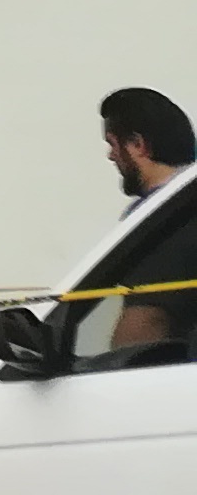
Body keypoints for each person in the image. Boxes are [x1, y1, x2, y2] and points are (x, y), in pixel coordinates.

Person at [95, 86, 192, 349]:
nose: (111, 156)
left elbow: (147, 320)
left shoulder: (165, 219)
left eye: (113, 144)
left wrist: (113, 368)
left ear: (138, 144)